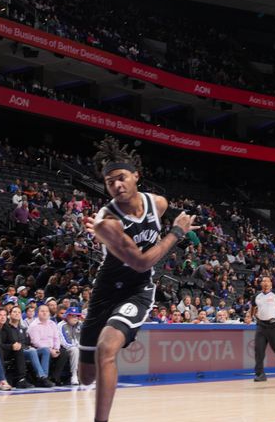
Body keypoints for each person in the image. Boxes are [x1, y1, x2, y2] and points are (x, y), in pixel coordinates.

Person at [80, 136, 197, 422]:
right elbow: (141, 260)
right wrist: (177, 233)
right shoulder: (107, 221)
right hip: (106, 290)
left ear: (136, 176)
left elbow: (143, 269)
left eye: (121, 178)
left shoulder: (158, 204)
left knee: (107, 348)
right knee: (85, 378)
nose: (117, 185)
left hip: (138, 289)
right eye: (110, 182)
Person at [0, 307, 33, 388]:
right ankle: (1, 379)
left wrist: (16, 345)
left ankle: (21, 380)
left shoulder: (6, 327)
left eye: (5, 315)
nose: (3, 317)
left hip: (5, 351)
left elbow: (11, 341)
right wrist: (10, 346)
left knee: (19, 350)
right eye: (0, 315)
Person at [8, 305, 53, 387]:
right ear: (10, 314)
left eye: (19, 312)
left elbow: (28, 342)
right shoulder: (6, 328)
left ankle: (44, 377)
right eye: (14, 312)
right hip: (15, 351)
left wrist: (29, 346)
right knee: (32, 351)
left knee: (45, 350)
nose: (17, 314)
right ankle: (41, 377)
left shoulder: (23, 328)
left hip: (26, 350)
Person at [59, 306, 83, 386]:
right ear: (67, 316)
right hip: (66, 349)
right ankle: (74, 375)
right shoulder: (61, 325)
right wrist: (78, 346)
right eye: (72, 316)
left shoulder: (80, 324)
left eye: (76, 316)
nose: (75, 318)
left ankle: (91, 375)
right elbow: (64, 342)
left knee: (90, 349)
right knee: (75, 350)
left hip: (79, 347)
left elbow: (86, 337)